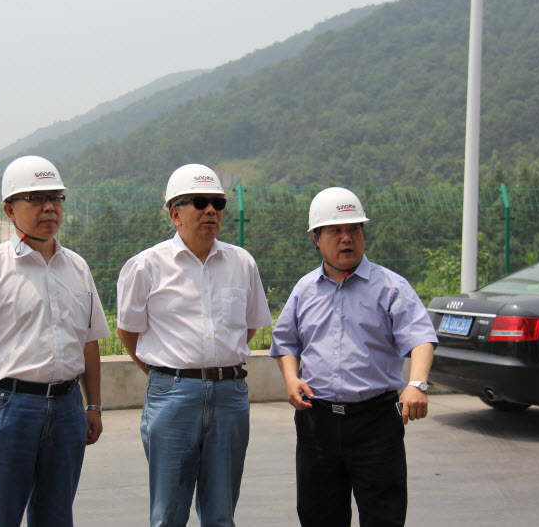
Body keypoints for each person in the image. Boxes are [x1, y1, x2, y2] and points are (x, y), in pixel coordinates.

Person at [0, 155, 109, 527]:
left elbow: (89, 342)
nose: (49, 207)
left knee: (56, 516)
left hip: (67, 408)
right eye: (35, 198)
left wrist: (93, 405)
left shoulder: (77, 267)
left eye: (56, 198)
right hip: (8, 408)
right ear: (9, 210)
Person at [269, 187, 437, 527]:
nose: (347, 238)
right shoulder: (305, 289)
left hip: (376, 423)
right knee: (319, 516)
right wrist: (290, 378)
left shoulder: (391, 286)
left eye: (355, 229)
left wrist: (417, 384)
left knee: (383, 517)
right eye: (335, 231)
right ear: (316, 239)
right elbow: (285, 341)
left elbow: (420, 337)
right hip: (317, 421)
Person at [116, 163, 272, 527]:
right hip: (172, 397)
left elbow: (248, 329)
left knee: (221, 514)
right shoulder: (146, 266)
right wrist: (167, 375)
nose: (211, 210)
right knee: (168, 514)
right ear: (175, 214)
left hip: (230, 395)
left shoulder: (241, 263)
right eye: (199, 202)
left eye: (218, 203)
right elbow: (127, 332)